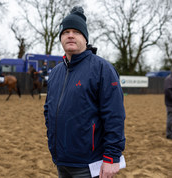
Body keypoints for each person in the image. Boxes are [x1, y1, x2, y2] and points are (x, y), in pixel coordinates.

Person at [44, 6, 125, 178]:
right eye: (65, 32)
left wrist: (112, 156)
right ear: (61, 38)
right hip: (61, 161)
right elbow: (48, 110)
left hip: (90, 164)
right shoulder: (55, 73)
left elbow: (114, 115)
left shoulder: (102, 69)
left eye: (76, 32)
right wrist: (53, 142)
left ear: (85, 38)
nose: (70, 35)